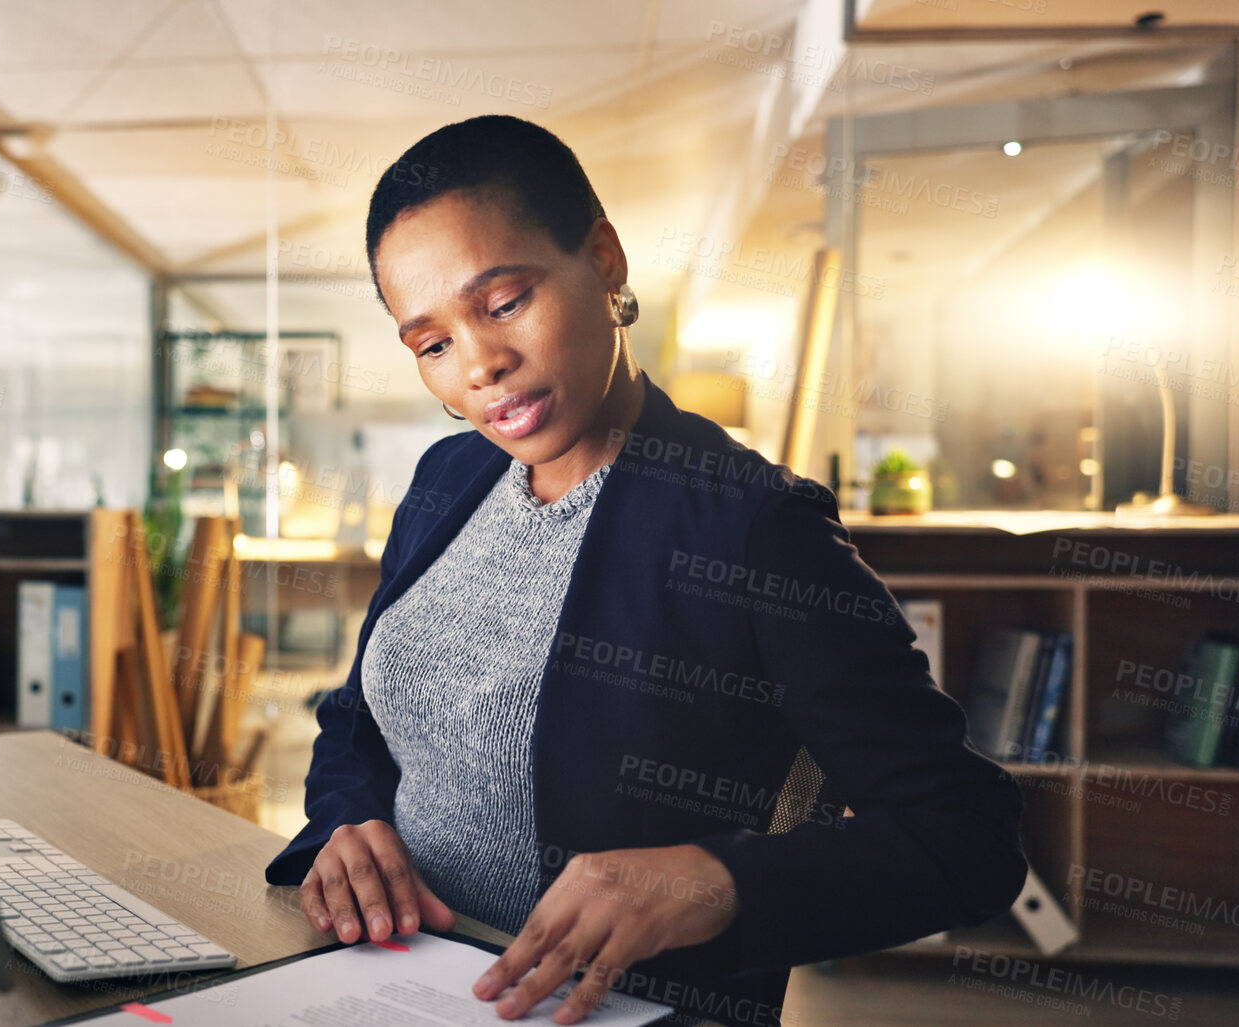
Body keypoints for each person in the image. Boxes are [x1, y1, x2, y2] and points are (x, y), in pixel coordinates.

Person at [263, 115, 1025, 1027]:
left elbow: (965, 836)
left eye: (503, 302)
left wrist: (718, 878)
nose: (480, 366)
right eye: (431, 344)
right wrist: (345, 825)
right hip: (393, 986)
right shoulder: (445, 478)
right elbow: (356, 721)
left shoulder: (753, 525)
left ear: (605, 260)